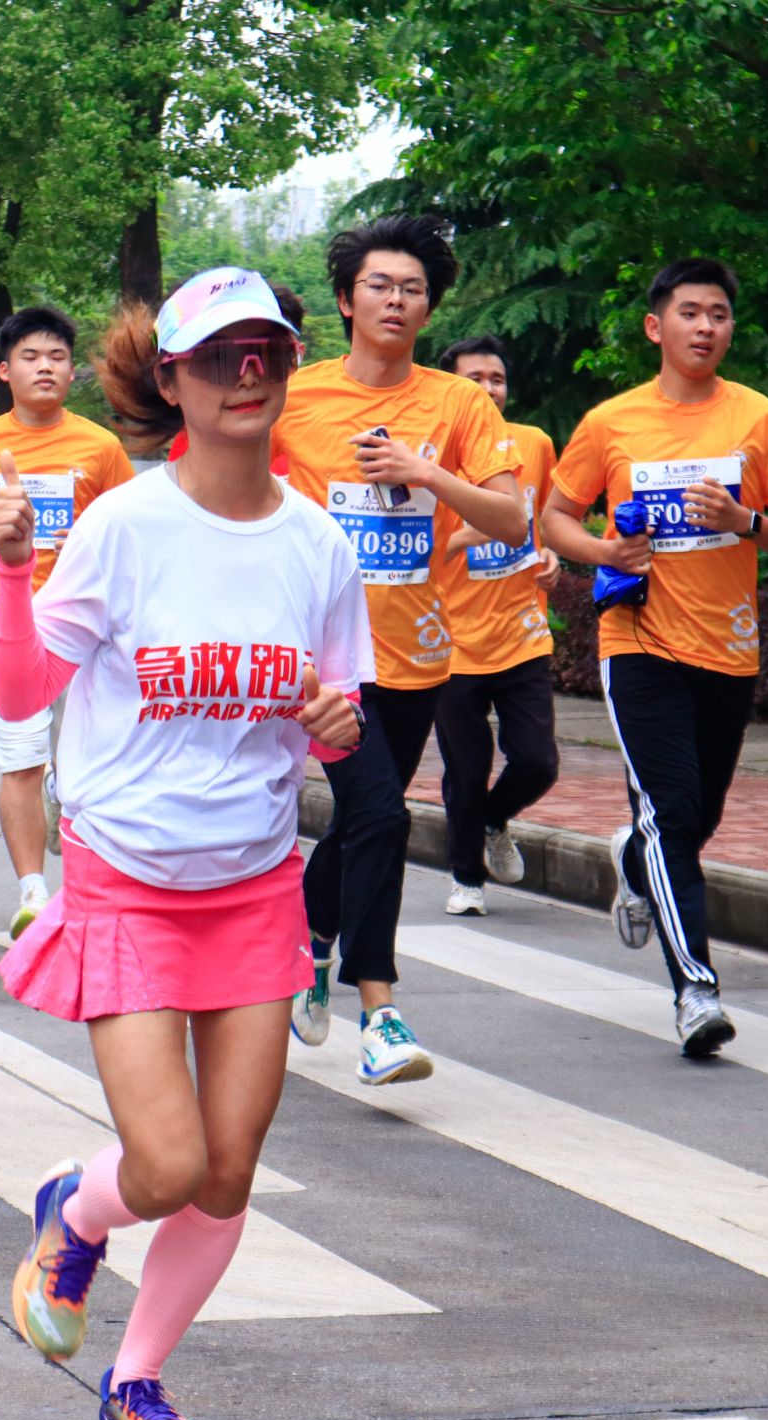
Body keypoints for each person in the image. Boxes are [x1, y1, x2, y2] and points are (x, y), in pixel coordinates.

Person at [0, 268, 369, 1420]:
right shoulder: (124, 527)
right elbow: (19, 691)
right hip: (127, 877)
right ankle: (74, 1209)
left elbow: (336, 714)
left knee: (226, 1168)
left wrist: (335, 723)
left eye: (265, 352)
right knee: (163, 1166)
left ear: (289, 364)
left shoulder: (317, 543)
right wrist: (11, 577)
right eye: (216, 357)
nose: (243, 375)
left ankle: (137, 1381)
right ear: (172, 379)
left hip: (253, 883)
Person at [540, 258, 768, 1058]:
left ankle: (634, 860)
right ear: (656, 327)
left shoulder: (761, 419)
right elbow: (555, 517)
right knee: (670, 809)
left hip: (728, 649)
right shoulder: (612, 422)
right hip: (639, 642)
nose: (705, 326)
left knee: (695, 819)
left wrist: (744, 520)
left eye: (719, 314)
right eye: (690, 312)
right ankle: (696, 990)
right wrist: (604, 551)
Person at [280, 214, 526, 1084]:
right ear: (346, 300)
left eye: (412, 289)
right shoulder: (297, 398)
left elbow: (513, 519)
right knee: (383, 814)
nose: (395, 300)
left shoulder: (457, 404)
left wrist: (427, 474)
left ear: (429, 307)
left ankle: (310, 939)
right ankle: (380, 1013)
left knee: (361, 822)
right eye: (379, 286)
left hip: (416, 657)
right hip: (322, 665)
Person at [0, 306, 135, 938]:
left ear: (71, 372)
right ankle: (34, 894)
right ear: (5, 371)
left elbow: (130, 537)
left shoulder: (101, 448)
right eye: (31, 357)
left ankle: (78, 833)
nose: (46, 367)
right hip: (4, 621)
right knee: (20, 756)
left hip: (84, 627)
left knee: (84, 754)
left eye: (58, 357)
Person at [431, 335, 562, 916]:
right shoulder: (428, 458)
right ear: (452, 390)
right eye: (475, 380)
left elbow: (546, 524)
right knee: (466, 769)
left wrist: (551, 556)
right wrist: (474, 530)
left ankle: (491, 819)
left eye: (497, 379)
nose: (489, 390)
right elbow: (421, 552)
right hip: (450, 643)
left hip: (523, 634)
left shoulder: (534, 444)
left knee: (538, 761)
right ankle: (467, 880)